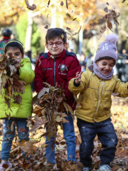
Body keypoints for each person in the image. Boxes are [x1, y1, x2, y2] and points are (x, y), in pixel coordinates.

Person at [68, 33, 128, 171]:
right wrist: (76, 83)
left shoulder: (113, 79)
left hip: (104, 119)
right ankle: (86, 164)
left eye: (111, 65)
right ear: (96, 62)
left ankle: (105, 163)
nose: (107, 67)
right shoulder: (87, 75)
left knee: (112, 141)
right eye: (104, 64)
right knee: (87, 145)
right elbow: (75, 88)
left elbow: (121, 91)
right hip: (85, 118)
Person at [34, 28, 81, 166]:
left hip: (66, 104)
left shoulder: (71, 60)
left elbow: (72, 81)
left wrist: (64, 97)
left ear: (64, 44)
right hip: (49, 106)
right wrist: (46, 97)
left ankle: (71, 161)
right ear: (46, 45)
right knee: (50, 135)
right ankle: (50, 162)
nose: (54, 46)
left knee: (69, 135)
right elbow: (38, 81)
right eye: (51, 43)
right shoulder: (42, 60)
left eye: (58, 43)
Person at [0, 40, 35, 171]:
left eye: (17, 54)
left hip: (22, 109)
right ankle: (4, 161)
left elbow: (29, 76)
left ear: (22, 55)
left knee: (24, 137)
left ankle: (27, 161)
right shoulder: (2, 65)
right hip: (8, 110)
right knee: (7, 137)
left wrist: (18, 69)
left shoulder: (25, 64)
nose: (13, 57)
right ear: (5, 55)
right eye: (10, 55)